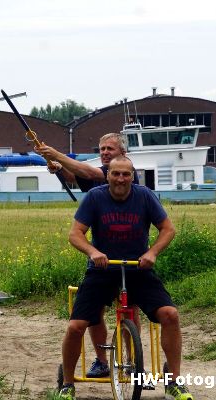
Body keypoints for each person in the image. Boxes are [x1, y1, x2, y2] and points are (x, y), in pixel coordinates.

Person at [57, 156, 193, 400]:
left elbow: (168, 229)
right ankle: (67, 384)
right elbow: (75, 233)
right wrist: (93, 252)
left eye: (126, 174)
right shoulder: (95, 197)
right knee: (76, 326)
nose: (120, 179)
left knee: (170, 315)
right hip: (102, 270)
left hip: (137, 269)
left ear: (133, 176)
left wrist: (152, 252)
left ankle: (174, 380)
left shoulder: (144, 196)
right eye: (116, 174)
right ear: (107, 174)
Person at [36, 133, 140, 379]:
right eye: (102, 148)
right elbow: (77, 175)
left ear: (122, 154)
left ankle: (132, 361)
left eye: (110, 149)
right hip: (100, 253)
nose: (104, 152)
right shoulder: (98, 176)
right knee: (95, 313)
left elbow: (90, 172)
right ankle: (103, 361)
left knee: (129, 308)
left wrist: (57, 154)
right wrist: (60, 168)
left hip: (130, 254)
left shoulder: (118, 172)